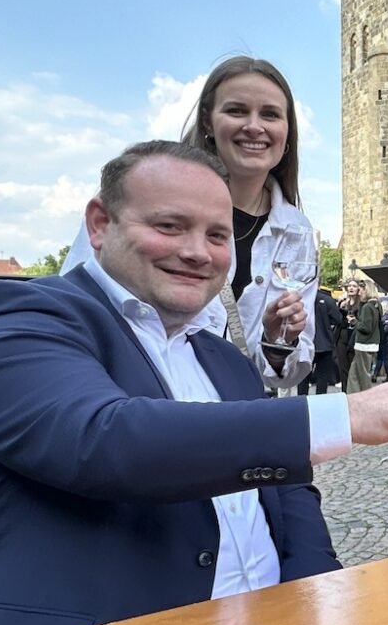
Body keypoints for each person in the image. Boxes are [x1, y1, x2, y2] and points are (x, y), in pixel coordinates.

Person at [0, 141, 388, 625]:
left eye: (216, 235)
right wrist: (349, 414)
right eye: (169, 226)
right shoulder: (26, 315)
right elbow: (105, 441)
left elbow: (290, 493)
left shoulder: (223, 357)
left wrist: (321, 614)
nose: (196, 252)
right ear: (100, 224)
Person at [62, 56, 318, 390]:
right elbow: (74, 302)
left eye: (270, 114)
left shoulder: (295, 231)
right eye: (237, 111)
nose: (254, 126)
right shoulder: (143, 189)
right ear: (209, 122)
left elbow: (281, 373)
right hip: (128, 399)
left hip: (229, 416)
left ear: (287, 133)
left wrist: (276, 340)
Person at [298, 287, 343, 396]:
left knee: (303, 376)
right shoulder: (327, 299)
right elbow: (338, 319)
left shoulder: (300, 300)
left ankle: (302, 400)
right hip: (325, 342)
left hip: (305, 342)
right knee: (323, 376)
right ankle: (320, 401)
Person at [346, 278, 381, 394]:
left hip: (364, 344)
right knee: (353, 373)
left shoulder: (367, 307)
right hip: (370, 343)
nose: (359, 292)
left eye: (360, 290)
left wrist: (354, 322)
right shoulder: (376, 305)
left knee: (363, 374)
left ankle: (366, 396)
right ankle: (353, 395)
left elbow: (366, 327)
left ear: (366, 290)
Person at [371, 298, 388, 382]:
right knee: (381, 357)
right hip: (387, 340)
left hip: (385, 340)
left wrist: (380, 333)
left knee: (383, 358)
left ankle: (380, 375)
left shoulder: (386, 317)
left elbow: (387, 328)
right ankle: (377, 375)